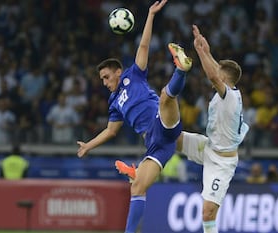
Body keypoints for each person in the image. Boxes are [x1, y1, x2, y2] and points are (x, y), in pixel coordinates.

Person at [76, 1, 192, 232]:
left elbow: (144, 46)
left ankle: (181, 69)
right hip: (155, 144)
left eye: (107, 77)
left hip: (161, 123)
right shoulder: (113, 103)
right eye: (102, 80)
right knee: (137, 188)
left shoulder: (133, 76)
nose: (105, 83)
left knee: (165, 98)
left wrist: (150, 15)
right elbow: (111, 131)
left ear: (118, 72)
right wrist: (89, 145)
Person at [176, 24, 250, 233]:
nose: (215, 70)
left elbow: (214, 76)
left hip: (222, 162)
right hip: (208, 147)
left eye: (219, 73)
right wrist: (206, 50)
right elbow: (218, 72)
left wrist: (199, 52)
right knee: (170, 136)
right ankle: (144, 174)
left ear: (224, 79)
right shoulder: (230, 90)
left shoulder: (229, 98)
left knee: (207, 212)